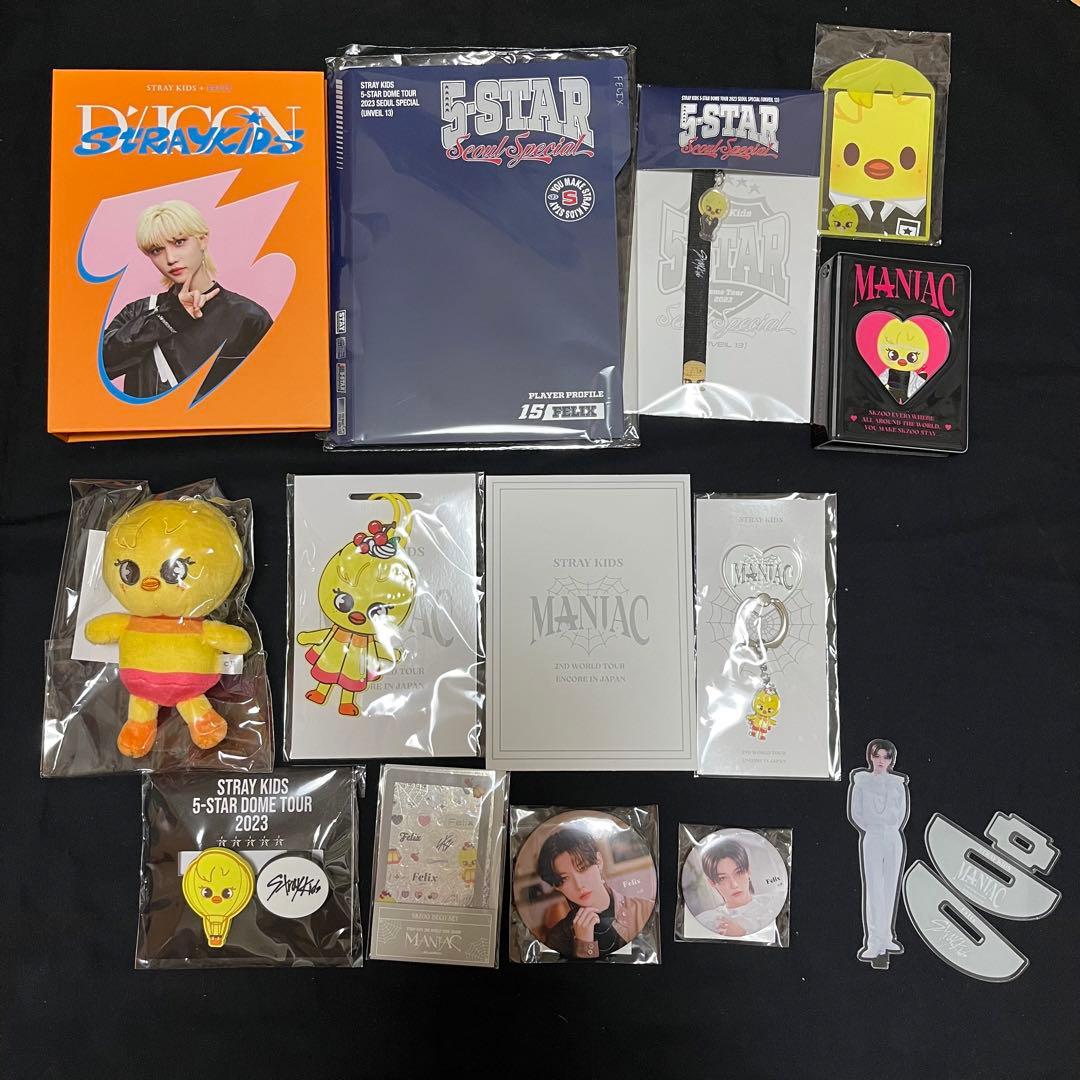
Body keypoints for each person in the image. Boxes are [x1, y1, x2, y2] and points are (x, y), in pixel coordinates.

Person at [101, 200, 272, 401]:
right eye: (156, 250)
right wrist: (168, 318)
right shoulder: (138, 312)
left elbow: (270, 393)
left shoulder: (249, 317)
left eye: (179, 242)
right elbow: (101, 367)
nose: (170, 258)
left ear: (203, 240)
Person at [535, 825, 654, 960]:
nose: (579, 885)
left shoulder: (645, 909)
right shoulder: (557, 938)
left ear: (599, 862)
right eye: (564, 879)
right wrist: (584, 944)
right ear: (557, 887)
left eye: (582, 868)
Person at [848, 738, 910, 963]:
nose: (881, 761)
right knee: (874, 887)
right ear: (871, 758)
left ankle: (886, 937)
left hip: (893, 837)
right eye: (877, 756)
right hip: (872, 836)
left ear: (891, 760)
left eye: (886, 757)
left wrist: (888, 828)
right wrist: (873, 828)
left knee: (890, 887)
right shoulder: (861, 782)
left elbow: (901, 814)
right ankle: (874, 941)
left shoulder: (897, 784)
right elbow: (856, 813)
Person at [696, 837, 779, 942]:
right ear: (712, 883)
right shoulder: (707, 920)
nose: (734, 884)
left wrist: (742, 933)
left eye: (739, 872)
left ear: (748, 871)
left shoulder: (773, 904)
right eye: (722, 878)